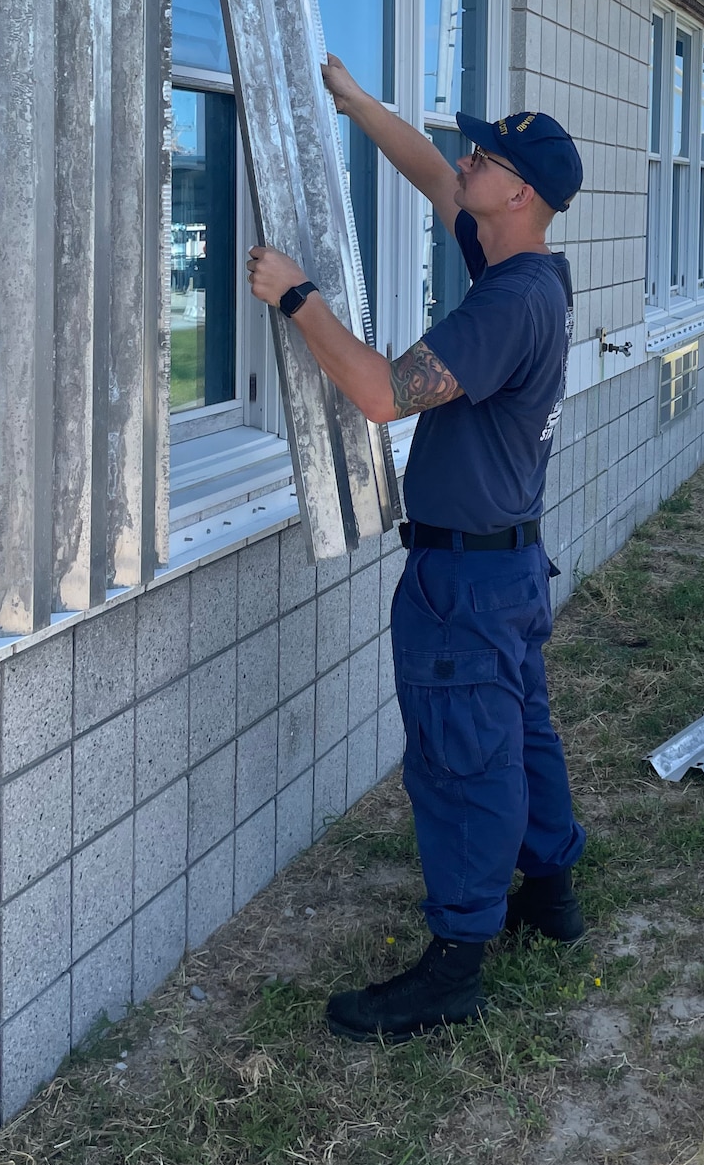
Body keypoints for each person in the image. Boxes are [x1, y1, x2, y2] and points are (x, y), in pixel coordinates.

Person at [245, 55, 587, 1041]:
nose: (464, 162)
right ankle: (551, 891)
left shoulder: (507, 304)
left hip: (467, 581)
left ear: (518, 191)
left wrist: (298, 296)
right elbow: (434, 176)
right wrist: (357, 107)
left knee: (462, 759)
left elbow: (385, 392)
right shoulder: (522, 267)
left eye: (483, 157)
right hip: (505, 566)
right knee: (520, 733)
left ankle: (458, 959)